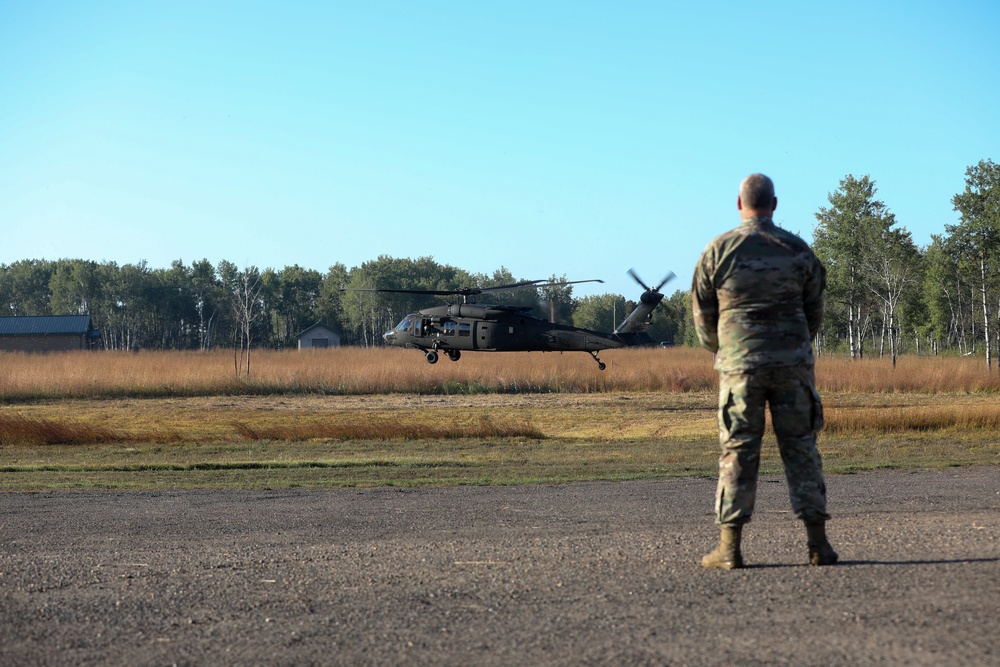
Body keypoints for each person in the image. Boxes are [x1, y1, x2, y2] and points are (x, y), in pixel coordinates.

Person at [692, 173, 838, 569]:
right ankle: (818, 545)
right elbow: (814, 312)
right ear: (774, 204)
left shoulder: (718, 251)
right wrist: (792, 345)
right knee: (802, 448)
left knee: (738, 451)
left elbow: (703, 319)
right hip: (792, 366)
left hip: (741, 369)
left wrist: (727, 350)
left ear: (739, 204)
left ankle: (730, 549)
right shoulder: (797, 250)